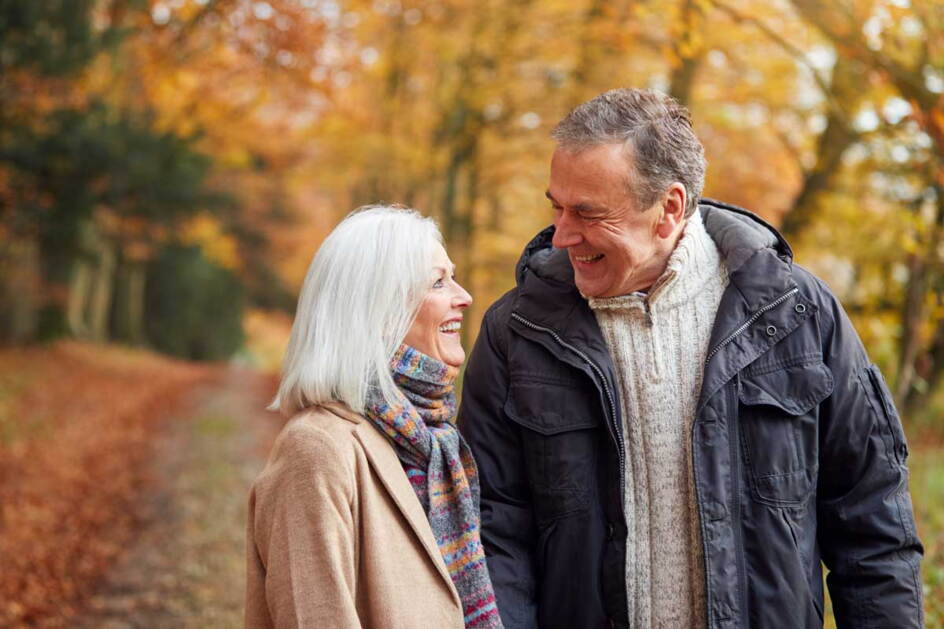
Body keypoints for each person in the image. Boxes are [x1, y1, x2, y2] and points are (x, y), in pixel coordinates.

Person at [458, 89, 923, 629]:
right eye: (556, 207)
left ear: (669, 208)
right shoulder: (517, 331)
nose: (561, 235)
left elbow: (873, 529)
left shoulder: (799, 315)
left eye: (586, 212)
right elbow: (493, 533)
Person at [246, 206, 503, 628]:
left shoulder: (434, 441)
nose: (464, 296)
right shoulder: (317, 449)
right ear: (379, 312)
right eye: (438, 282)